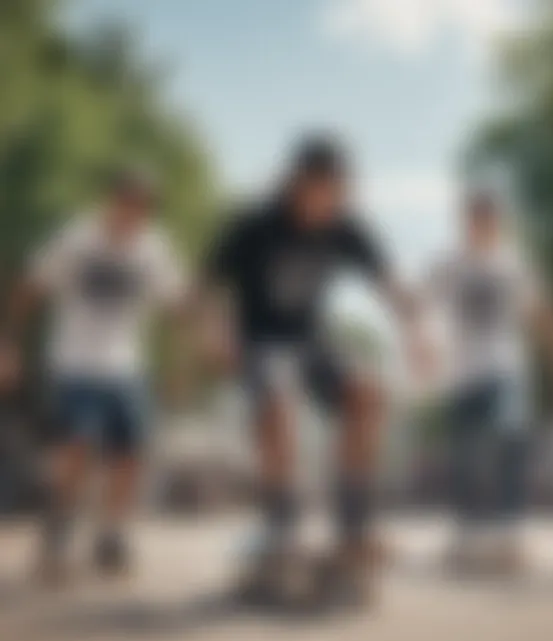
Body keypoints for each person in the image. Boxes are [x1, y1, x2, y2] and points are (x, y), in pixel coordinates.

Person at [202, 135, 422, 605]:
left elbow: (389, 282)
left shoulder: (346, 226)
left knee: (366, 390)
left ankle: (353, 523)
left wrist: (417, 331)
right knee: (276, 399)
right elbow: (206, 286)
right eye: (325, 195)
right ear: (298, 185)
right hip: (262, 341)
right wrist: (216, 331)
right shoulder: (253, 225)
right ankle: (282, 524)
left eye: (340, 196)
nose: (332, 207)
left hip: (312, 342)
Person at [0, 167, 189, 583]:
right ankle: (59, 530)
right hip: (75, 361)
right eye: (125, 207)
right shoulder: (77, 239)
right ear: (111, 203)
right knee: (78, 443)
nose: (130, 218)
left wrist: (178, 365)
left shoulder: (153, 249)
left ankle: (111, 534)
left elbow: (178, 306)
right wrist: (9, 346)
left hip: (127, 365)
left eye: (140, 211)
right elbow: (29, 288)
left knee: (132, 452)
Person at [421, 189, 553, 576]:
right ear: (465, 221)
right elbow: (423, 305)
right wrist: (421, 344)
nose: (481, 225)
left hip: (505, 367)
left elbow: (539, 312)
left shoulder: (514, 263)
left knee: (509, 436)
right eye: (475, 217)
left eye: (489, 218)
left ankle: (511, 529)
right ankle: (467, 533)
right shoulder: (448, 263)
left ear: (499, 221)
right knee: (465, 453)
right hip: (461, 372)